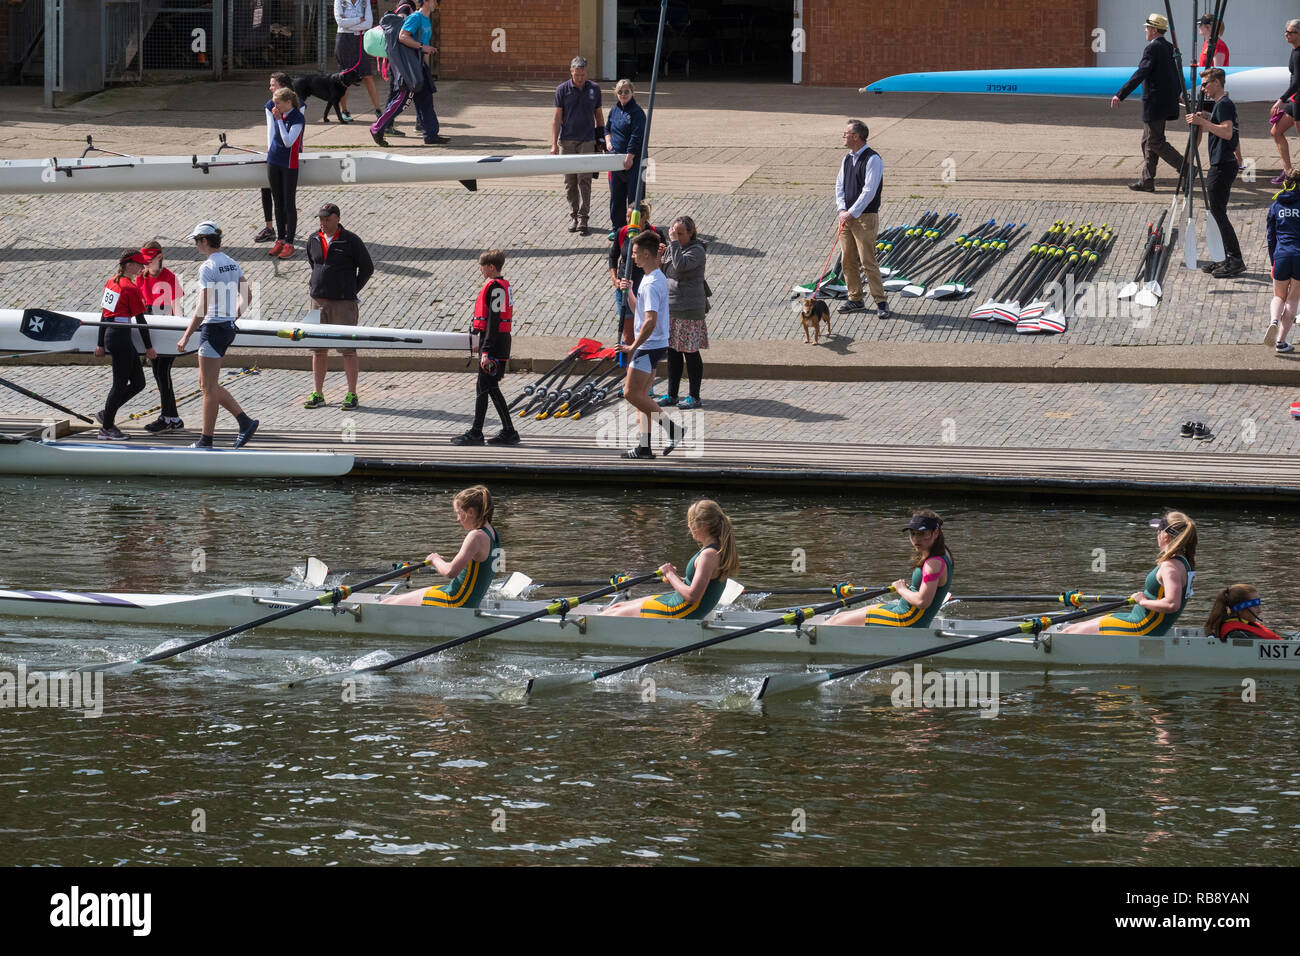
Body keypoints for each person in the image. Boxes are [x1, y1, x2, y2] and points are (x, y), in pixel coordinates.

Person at [175, 222, 259, 449]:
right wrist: (233, 316)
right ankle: (244, 422)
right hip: (226, 328)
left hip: (212, 329)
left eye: (196, 240)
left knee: (209, 388)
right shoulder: (231, 263)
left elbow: (202, 307)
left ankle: (206, 440)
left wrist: (186, 336)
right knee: (206, 383)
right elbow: (247, 295)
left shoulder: (208, 266)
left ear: (204, 240)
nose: (195, 245)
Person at [1060, 511, 1197, 636]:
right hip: (1137, 619)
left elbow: (1172, 605)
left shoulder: (1170, 567)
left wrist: (1142, 601)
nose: (1156, 535)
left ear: (1165, 535)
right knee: (1071, 629)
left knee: (1068, 633)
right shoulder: (1183, 561)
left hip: (1142, 627)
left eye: (1158, 531)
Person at [601, 500, 738, 619]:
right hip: (679, 602)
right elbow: (703, 586)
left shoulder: (708, 556)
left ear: (701, 526)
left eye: (690, 522)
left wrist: (669, 574)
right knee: (617, 606)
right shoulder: (718, 549)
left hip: (681, 611)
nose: (688, 527)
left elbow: (692, 597)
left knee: (611, 615)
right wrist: (677, 580)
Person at [615, 229, 683, 458]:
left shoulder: (653, 283)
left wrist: (633, 347)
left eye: (635, 253)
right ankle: (644, 446)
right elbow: (641, 314)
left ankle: (673, 429)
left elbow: (651, 322)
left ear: (646, 254)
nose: (632, 257)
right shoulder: (648, 278)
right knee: (642, 397)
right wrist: (630, 293)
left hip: (648, 346)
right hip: (654, 345)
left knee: (630, 393)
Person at [825, 511, 952, 628]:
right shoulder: (944, 552)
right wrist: (906, 591)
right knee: (839, 617)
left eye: (922, 534)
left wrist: (901, 589)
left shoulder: (933, 563)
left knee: (834, 623)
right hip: (903, 610)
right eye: (913, 533)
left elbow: (922, 602)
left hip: (908, 620)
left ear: (936, 533)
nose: (916, 539)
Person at [303, 203, 374, 410]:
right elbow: (313, 263)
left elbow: (367, 267)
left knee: (348, 350)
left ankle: (352, 393)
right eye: (320, 219)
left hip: (343, 303)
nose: (322, 223)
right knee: (318, 349)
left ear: (337, 218)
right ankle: (318, 392)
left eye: (326, 219)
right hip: (317, 302)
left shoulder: (351, 240)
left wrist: (351, 290)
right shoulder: (313, 239)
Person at [381, 486, 501, 608]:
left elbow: (450, 572)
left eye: (459, 513)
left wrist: (435, 559)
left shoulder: (476, 536)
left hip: (456, 600)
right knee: (392, 600)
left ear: (470, 512)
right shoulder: (493, 533)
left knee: (387, 604)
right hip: (463, 596)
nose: (457, 519)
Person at [452, 249, 520, 446]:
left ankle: (477, 433)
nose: (480, 270)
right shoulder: (502, 286)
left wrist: (486, 350)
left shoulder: (496, 287)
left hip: (495, 344)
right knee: (489, 387)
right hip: (497, 341)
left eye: (482, 266)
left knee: (484, 387)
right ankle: (507, 431)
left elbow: (493, 321)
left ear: (491, 267)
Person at [1111, 13, 1183, 193]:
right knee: (1147, 142)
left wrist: (1121, 94)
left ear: (1154, 29)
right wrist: (1178, 94)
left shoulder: (1152, 49)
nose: (1145, 30)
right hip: (1164, 103)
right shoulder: (1169, 47)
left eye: (1147, 27)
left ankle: (1187, 168)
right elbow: (1175, 74)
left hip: (1155, 104)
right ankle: (1147, 181)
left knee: (1156, 142)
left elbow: (1141, 73)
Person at [94, 250, 156, 441]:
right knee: (119, 385)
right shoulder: (130, 288)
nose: (142, 268)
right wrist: (149, 347)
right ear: (129, 265)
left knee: (139, 383)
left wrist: (100, 343)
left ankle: (107, 413)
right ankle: (106, 429)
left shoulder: (111, 282)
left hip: (116, 337)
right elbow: (140, 320)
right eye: (139, 264)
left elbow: (104, 316)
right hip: (120, 338)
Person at [1187, 68, 1244, 278]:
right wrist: (1208, 117)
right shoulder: (1221, 105)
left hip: (1221, 166)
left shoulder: (1225, 103)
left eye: (1205, 84)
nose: (1203, 88)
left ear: (1218, 83)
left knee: (1218, 213)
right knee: (1217, 212)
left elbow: (1227, 132)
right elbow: (1231, 131)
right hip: (1224, 163)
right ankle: (1223, 257)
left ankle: (1235, 259)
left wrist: (1203, 122)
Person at [370, 0, 447, 147]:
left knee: (426, 99)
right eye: (435, 0)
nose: (437, 3)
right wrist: (422, 47)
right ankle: (377, 128)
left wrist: (426, 68)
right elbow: (403, 36)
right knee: (403, 99)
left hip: (420, 66)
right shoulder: (415, 17)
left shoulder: (426, 20)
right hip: (410, 68)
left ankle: (431, 135)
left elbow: (423, 47)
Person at [835, 119, 891, 318]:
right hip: (846, 217)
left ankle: (881, 301)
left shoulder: (873, 159)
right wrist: (842, 209)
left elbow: (869, 191)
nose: (843, 136)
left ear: (856, 136)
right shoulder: (846, 159)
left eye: (846, 133)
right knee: (847, 260)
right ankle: (855, 298)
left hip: (865, 217)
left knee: (868, 260)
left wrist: (852, 212)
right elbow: (839, 185)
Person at [656, 216, 708, 410]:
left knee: (690, 352)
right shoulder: (673, 247)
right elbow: (664, 271)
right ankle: (672, 394)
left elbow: (681, 266)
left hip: (689, 308)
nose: (676, 236)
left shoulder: (697, 250)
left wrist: (674, 244)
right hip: (671, 307)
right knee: (673, 352)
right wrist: (660, 257)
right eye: (674, 232)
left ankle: (694, 396)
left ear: (690, 233)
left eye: (680, 233)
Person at [135, 241, 185, 432]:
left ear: (159, 257)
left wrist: (180, 335)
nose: (145, 265)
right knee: (159, 374)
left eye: (149, 261)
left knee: (162, 373)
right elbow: (139, 306)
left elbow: (178, 309)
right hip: (151, 331)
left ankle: (168, 417)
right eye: (144, 262)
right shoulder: (141, 278)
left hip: (167, 330)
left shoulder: (169, 277)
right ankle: (173, 418)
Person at [551, 56, 603, 236]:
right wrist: (554, 144)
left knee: (585, 179)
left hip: (587, 139)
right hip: (567, 140)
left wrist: (601, 140)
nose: (580, 77)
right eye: (577, 74)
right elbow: (557, 119)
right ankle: (573, 214)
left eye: (583, 74)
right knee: (570, 181)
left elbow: (599, 116)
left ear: (586, 73)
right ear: (571, 72)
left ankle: (584, 217)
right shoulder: (562, 90)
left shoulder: (594, 89)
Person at [265, 86, 305, 260]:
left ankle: (289, 242)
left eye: (278, 103)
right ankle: (280, 239)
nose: (275, 107)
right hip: (274, 160)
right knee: (277, 201)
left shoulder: (298, 117)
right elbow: (274, 135)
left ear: (288, 102)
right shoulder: (278, 113)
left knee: (289, 203)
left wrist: (280, 120)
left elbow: (288, 141)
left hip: (288, 165)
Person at [254, 72, 293, 243]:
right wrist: (271, 153)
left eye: (273, 85)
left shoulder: (298, 105)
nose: (270, 88)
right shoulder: (270, 105)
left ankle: (285, 231)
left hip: (289, 156)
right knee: (266, 188)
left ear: (283, 87)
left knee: (285, 197)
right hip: (275, 153)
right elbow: (271, 132)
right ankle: (270, 228)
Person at [604, 79, 646, 239]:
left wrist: (630, 156)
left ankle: (636, 227)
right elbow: (607, 128)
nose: (623, 94)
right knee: (616, 195)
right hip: (615, 160)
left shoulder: (637, 113)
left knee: (635, 196)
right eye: (620, 92)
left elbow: (637, 136)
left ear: (632, 93)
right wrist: (608, 141)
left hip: (634, 161)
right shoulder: (614, 110)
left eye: (626, 91)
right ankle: (617, 228)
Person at [610, 199, 655, 342]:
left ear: (644, 217)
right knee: (629, 335)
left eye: (632, 217)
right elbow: (613, 256)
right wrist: (614, 279)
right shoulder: (623, 232)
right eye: (627, 217)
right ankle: (630, 359)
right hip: (625, 286)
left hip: (646, 287)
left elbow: (662, 263)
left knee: (644, 331)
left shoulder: (654, 234)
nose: (629, 221)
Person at [333, 0, 384, 124]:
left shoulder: (365, 2)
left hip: (360, 40)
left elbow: (368, 23)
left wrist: (350, 23)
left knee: (367, 75)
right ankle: (344, 111)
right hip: (344, 41)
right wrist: (359, 19)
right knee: (344, 78)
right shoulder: (339, 1)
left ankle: (378, 110)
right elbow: (340, 22)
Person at [1266, 173, 1300, 350]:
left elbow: (1271, 237)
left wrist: (1274, 259)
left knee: (1279, 295)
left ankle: (1273, 320)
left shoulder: (1276, 205)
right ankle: (1280, 341)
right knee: (1293, 299)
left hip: (1281, 256)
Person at [1270, 20, 1300, 184]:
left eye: (1290, 32)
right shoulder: (1294, 50)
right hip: (1295, 99)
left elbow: (1297, 82)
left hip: (1298, 100)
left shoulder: (1299, 53)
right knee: (1276, 131)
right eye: (1285, 31)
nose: (1286, 35)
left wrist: (1281, 100)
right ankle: (1288, 171)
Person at [1204, 584, 1283, 642]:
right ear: (1240, 609)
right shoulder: (1236, 634)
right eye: (1255, 606)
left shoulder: (1244, 626)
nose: (1260, 611)